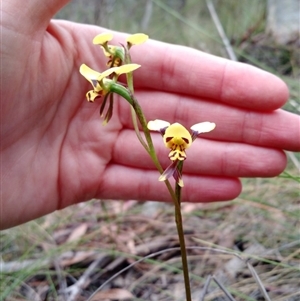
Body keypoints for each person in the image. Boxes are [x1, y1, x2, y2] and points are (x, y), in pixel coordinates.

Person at [1, 0, 299, 230]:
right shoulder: (119, 80)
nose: (175, 144)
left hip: (136, 96)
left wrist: (180, 139)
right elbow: (127, 97)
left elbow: (191, 127)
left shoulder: (173, 131)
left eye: (112, 56)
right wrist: (112, 77)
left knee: (173, 174)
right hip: (125, 89)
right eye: (173, 141)